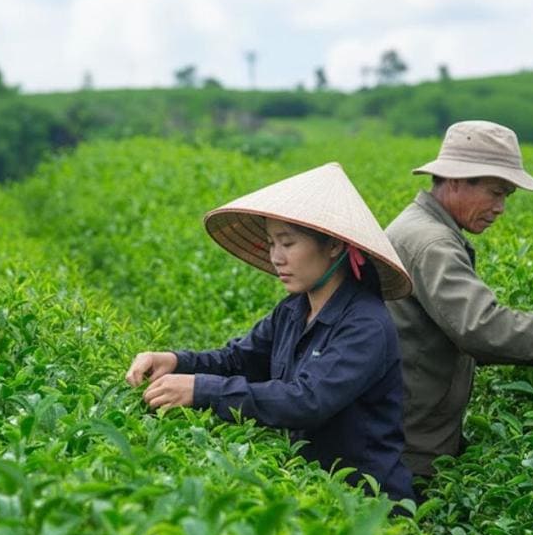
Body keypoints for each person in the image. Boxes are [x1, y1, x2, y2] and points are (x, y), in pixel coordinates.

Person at [126, 162, 416, 503]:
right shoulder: (294, 309)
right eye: (271, 243)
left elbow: (307, 400)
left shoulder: (365, 324)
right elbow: (237, 360)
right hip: (311, 490)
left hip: (366, 501)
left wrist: (202, 390)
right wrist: (175, 361)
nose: (276, 257)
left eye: (288, 243)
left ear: (334, 246)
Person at [384, 120, 533, 484]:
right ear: (455, 180)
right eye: (495, 192)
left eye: (506, 196)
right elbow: (481, 329)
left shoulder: (417, 226)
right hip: (410, 442)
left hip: (406, 428)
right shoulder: (433, 243)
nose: (500, 208)